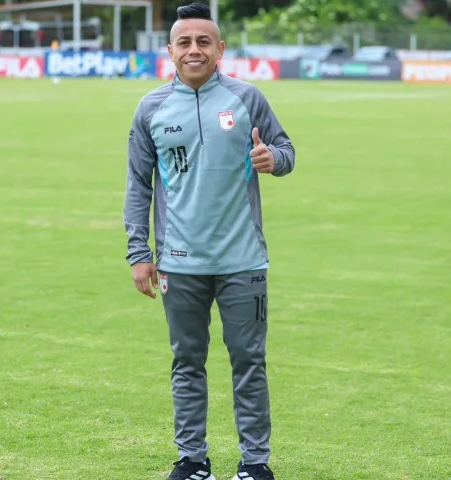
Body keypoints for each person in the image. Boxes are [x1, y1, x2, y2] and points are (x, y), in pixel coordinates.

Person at [123, 2, 295, 479]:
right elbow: (138, 185)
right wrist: (140, 254)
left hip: (243, 261)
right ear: (171, 51)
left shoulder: (247, 98)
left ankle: (255, 464)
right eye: (184, 42)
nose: (194, 49)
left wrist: (272, 161)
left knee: (249, 363)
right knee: (187, 362)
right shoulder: (151, 108)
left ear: (220, 49)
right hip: (179, 262)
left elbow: (287, 150)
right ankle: (192, 460)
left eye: (204, 41)